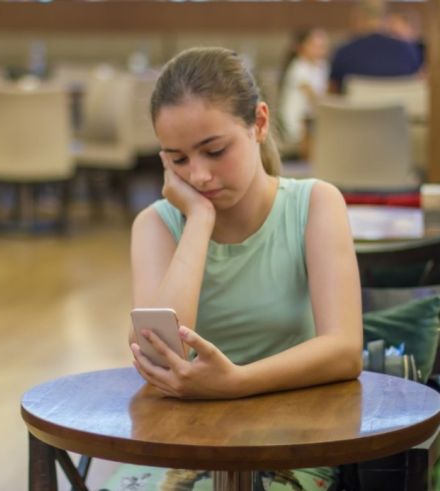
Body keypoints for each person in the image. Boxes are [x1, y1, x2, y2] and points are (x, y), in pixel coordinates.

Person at [125, 47, 362, 491]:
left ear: (259, 123)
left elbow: (345, 350)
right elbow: (158, 354)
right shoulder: (156, 225)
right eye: (178, 160)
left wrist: (235, 382)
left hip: (293, 442)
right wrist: (198, 220)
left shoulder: (316, 203)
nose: (198, 176)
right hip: (180, 445)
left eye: (214, 151)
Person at [328, 0, 422, 93]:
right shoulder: (408, 51)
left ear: (358, 17)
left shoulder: (344, 53)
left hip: (358, 103)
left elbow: (332, 95)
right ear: (386, 19)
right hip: (401, 103)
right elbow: (418, 87)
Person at [277, 29, 330, 147]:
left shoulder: (322, 66)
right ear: (301, 47)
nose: (321, 50)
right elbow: (314, 98)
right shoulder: (298, 67)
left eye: (323, 46)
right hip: (298, 122)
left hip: (314, 118)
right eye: (315, 46)